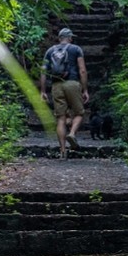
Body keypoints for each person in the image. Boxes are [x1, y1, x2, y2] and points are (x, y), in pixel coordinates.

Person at [40, 28, 89, 159]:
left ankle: (63, 151)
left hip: (56, 85)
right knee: (79, 113)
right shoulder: (76, 49)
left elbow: (43, 72)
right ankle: (72, 134)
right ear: (70, 38)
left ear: (59, 38)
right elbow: (82, 70)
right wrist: (85, 90)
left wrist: (43, 91)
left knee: (61, 118)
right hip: (72, 83)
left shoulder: (50, 51)